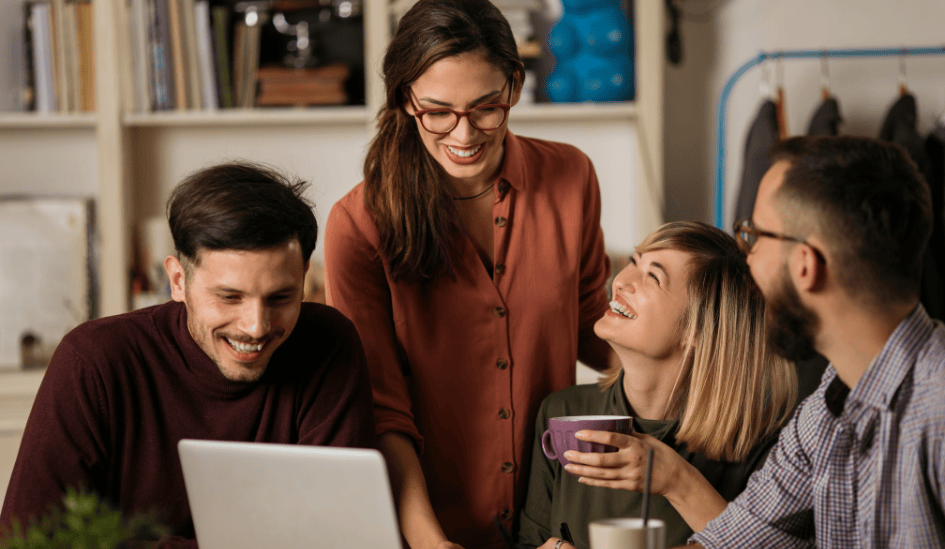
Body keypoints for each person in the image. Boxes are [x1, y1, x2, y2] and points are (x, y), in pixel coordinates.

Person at [323, 1, 615, 546]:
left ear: (514, 85)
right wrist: (430, 541)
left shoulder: (572, 177)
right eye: (438, 111)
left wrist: (696, 363)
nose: (464, 133)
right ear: (405, 99)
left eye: (486, 107)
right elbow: (381, 407)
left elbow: (595, 330)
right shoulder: (358, 225)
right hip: (427, 526)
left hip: (553, 523)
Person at [0, 162, 376, 547]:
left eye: (281, 297)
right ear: (178, 281)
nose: (256, 326)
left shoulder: (329, 344)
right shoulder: (92, 362)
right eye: (229, 297)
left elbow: (338, 535)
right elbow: (30, 539)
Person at [684, 135, 945, 548]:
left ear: (806, 264)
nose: (746, 258)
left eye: (753, 236)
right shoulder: (828, 405)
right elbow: (731, 541)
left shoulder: (937, 408)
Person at [516, 221, 797, 549]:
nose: (621, 281)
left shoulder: (760, 447)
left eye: (653, 276)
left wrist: (677, 480)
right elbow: (531, 543)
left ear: (700, 329)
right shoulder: (563, 412)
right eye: (634, 262)